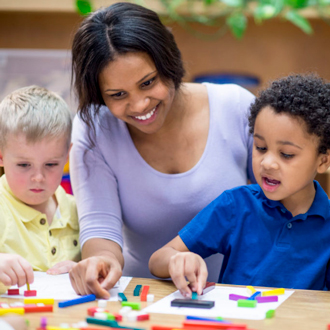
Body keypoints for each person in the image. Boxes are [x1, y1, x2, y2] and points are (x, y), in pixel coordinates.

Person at [69, 2, 255, 298]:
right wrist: (100, 263)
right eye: (118, 95)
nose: (140, 105)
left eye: (148, 82)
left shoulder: (235, 107)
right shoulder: (95, 129)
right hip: (140, 300)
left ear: (169, 61)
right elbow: (100, 229)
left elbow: (277, 208)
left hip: (241, 295)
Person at [149, 74, 330, 296]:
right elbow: (158, 260)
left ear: (323, 160)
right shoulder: (235, 205)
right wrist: (178, 260)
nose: (267, 163)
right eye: (260, 147)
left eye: (286, 154)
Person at [0, 86, 81, 288]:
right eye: (24, 165)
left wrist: (82, 269)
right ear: (1, 156)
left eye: (51, 164)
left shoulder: (77, 208)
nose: (38, 177)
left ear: (67, 156)